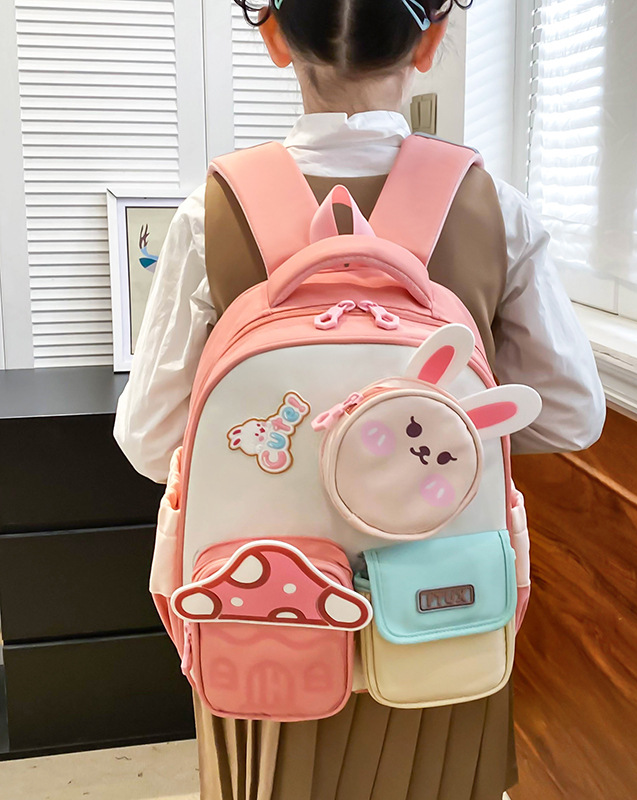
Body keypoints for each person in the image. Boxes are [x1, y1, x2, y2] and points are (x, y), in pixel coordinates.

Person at [114, 1, 606, 797]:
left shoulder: (213, 212)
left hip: (262, 613)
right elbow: (573, 413)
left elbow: (149, 440)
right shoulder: (495, 206)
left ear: (275, 36)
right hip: (444, 605)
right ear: (431, 40)